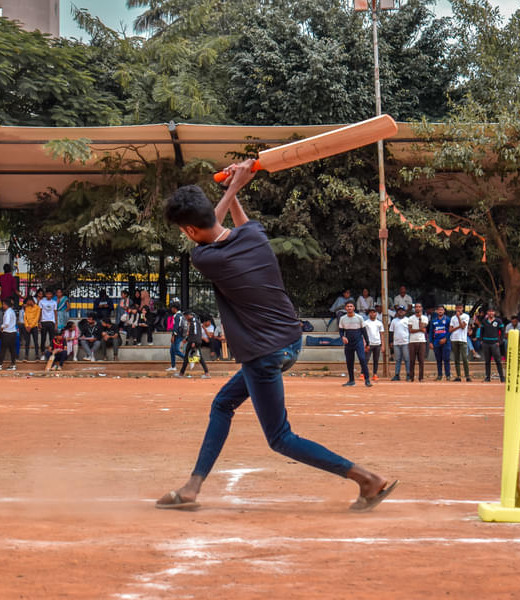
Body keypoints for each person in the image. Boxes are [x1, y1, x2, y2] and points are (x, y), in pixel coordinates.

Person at [157, 163, 395, 512]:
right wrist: (235, 186)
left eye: (185, 229)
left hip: (263, 352)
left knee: (280, 438)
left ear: (190, 230)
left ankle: (367, 479)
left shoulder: (203, 257)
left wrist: (233, 188)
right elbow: (225, 225)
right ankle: (193, 486)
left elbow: (211, 230)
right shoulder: (253, 236)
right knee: (223, 403)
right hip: (289, 342)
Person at [338, 301, 371, 387]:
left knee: (362, 359)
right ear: (345, 308)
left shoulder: (359, 317)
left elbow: (364, 331)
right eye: (348, 306)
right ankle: (351, 380)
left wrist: (367, 343)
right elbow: (341, 330)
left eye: (351, 306)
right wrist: (342, 337)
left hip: (358, 341)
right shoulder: (342, 318)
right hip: (348, 342)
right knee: (349, 361)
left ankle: (367, 380)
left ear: (354, 308)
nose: (349, 308)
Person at [177, 311, 210, 378]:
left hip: (194, 341)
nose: (185, 318)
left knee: (187, 357)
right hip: (194, 340)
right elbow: (192, 333)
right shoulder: (195, 321)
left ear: (188, 315)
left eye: (185, 317)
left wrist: (193, 342)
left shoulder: (194, 322)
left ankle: (181, 373)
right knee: (199, 357)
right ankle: (207, 373)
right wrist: (186, 340)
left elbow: (195, 332)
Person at [477, 307, 505, 382]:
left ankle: (502, 377)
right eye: (489, 311)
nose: (491, 313)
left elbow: (502, 332)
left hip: (495, 343)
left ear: (494, 313)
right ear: (487, 312)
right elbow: (481, 331)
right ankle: (487, 377)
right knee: (487, 361)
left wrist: (500, 341)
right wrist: (481, 340)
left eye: (492, 311)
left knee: (498, 361)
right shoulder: (484, 321)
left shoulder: (498, 321)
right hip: (486, 343)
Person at [449, 303, 471, 382]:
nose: (458, 309)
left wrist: (458, 318)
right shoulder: (452, 318)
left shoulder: (466, 316)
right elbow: (450, 330)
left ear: (462, 308)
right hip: (454, 339)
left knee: (464, 358)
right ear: (455, 308)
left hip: (462, 339)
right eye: (457, 308)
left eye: (460, 308)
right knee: (456, 358)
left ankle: (467, 376)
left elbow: (462, 327)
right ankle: (458, 376)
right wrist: (458, 326)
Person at [407, 303, 428, 382]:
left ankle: (421, 377)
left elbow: (422, 327)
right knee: (412, 360)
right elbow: (410, 330)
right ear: (414, 308)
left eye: (419, 307)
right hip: (412, 341)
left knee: (421, 360)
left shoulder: (424, 318)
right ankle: (411, 377)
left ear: (421, 308)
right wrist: (420, 330)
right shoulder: (410, 318)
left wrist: (420, 319)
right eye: (416, 307)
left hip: (422, 341)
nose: (418, 308)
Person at [0, 298, 18, 370]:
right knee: (12, 350)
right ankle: (13, 364)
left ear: (6, 305)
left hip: (7, 332)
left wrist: (1, 327)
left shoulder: (7, 312)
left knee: (3, 349)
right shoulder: (12, 311)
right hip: (13, 332)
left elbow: (6, 323)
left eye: (3, 304)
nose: (2, 305)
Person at [430, 305, 451, 381]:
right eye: (438, 310)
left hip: (446, 342)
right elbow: (431, 331)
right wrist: (430, 342)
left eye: (441, 310)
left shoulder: (448, 319)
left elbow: (450, 330)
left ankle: (448, 375)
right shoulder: (433, 320)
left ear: (444, 311)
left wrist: (446, 338)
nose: (440, 311)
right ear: (436, 311)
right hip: (436, 342)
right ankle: (439, 375)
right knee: (438, 360)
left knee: (446, 359)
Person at [390, 306, 410, 381]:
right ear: (397, 312)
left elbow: (410, 331)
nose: (401, 312)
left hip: (406, 342)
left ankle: (408, 374)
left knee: (407, 359)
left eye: (402, 310)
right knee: (398, 360)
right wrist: (391, 341)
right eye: (399, 310)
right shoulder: (394, 321)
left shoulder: (408, 320)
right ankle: (397, 375)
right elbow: (391, 332)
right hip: (396, 343)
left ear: (405, 312)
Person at [166, 302, 185, 372]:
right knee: (172, 351)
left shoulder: (177, 316)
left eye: (172, 308)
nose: (171, 309)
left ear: (174, 308)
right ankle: (173, 366)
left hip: (177, 335)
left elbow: (176, 327)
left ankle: (187, 359)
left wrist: (173, 336)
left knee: (176, 350)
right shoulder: (181, 315)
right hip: (180, 335)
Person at [22, 296, 41, 361]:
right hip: (27, 327)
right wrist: (27, 325)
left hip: (34, 326)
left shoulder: (37, 308)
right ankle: (26, 356)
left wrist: (31, 326)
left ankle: (37, 356)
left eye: (27, 301)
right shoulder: (27, 308)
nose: (26, 303)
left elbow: (37, 318)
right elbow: (25, 317)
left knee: (36, 342)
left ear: (30, 301)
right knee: (27, 342)